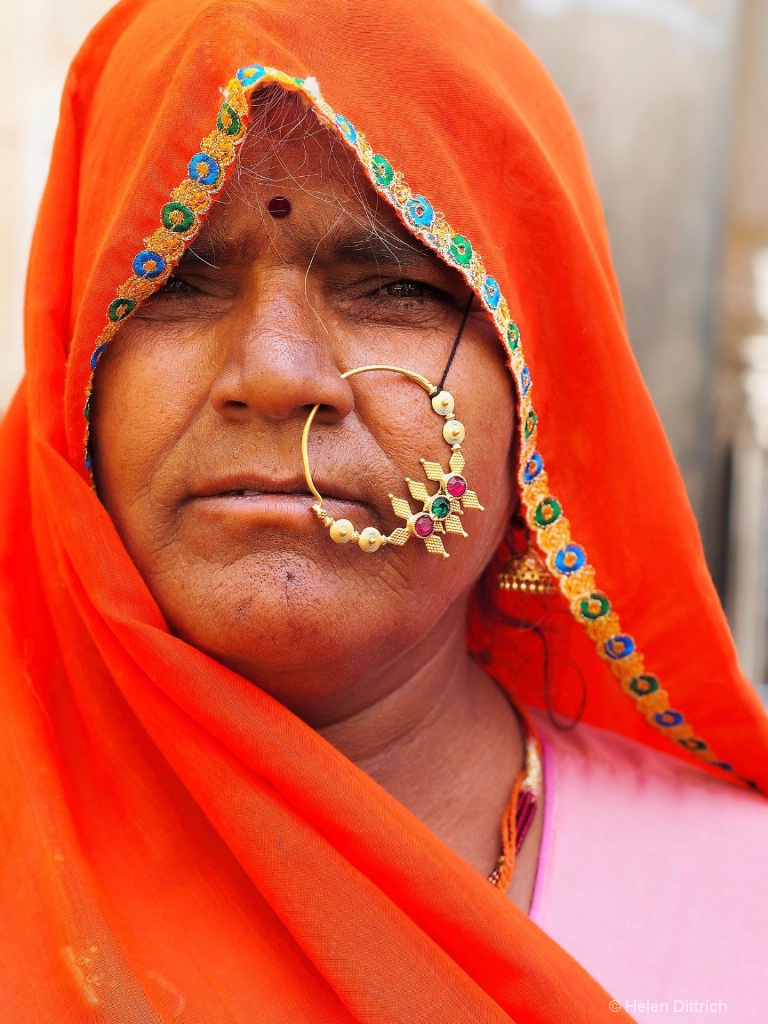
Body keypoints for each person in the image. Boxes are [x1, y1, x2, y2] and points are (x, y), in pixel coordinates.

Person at [1, 1, 766, 1020]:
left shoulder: (738, 897)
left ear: (535, 407)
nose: (274, 373)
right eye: (177, 275)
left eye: (394, 286)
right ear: (73, 386)